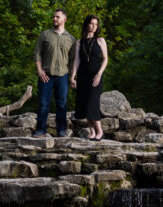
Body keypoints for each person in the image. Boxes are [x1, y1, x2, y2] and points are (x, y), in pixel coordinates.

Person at [34, 9, 76, 138]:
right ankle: (41, 130)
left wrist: (72, 77)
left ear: (64, 19)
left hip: (62, 76)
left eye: (57, 17)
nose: (54, 19)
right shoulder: (45, 35)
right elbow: (37, 53)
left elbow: (73, 60)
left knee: (62, 104)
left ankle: (61, 130)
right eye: (53, 17)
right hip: (46, 75)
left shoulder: (71, 39)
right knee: (43, 103)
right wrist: (40, 71)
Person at [71, 15, 108, 141]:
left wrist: (99, 74)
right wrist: (72, 76)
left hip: (95, 76)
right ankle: (92, 132)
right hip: (82, 76)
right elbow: (77, 60)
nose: (93, 26)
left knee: (93, 102)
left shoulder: (100, 40)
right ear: (87, 24)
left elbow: (105, 59)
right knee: (85, 103)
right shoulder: (79, 42)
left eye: (96, 24)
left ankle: (100, 131)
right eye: (92, 23)